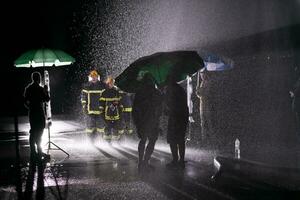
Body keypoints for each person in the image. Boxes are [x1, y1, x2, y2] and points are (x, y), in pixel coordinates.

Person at [132, 73, 162, 171]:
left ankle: (141, 162)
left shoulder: (139, 92)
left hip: (143, 121)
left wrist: (136, 122)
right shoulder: (155, 92)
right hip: (152, 121)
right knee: (151, 141)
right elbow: (160, 105)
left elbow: (135, 109)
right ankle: (145, 162)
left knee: (143, 140)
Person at [24, 72, 50, 161]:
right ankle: (39, 151)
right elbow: (47, 99)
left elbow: (24, 101)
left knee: (33, 131)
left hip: (32, 112)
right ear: (39, 79)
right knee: (40, 131)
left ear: (32, 78)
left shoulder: (28, 88)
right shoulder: (40, 89)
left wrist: (30, 107)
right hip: (39, 112)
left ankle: (33, 152)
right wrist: (46, 91)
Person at [165, 75, 189, 169]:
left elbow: (169, 104)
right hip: (183, 117)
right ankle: (181, 160)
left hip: (175, 117)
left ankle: (175, 160)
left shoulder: (170, 90)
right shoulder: (180, 89)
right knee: (180, 139)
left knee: (172, 139)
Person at [81, 70, 106, 142]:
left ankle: (101, 140)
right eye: (92, 76)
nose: (94, 78)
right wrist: (84, 106)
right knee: (90, 126)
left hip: (100, 109)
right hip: (90, 110)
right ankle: (90, 141)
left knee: (101, 126)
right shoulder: (87, 86)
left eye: (95, 76)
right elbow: (83, 97)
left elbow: (105, 96)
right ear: (91, 77)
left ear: (97, 77)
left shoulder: (102, 85)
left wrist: (103, 106)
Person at [100, 76, 124, 141]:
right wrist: (101, 112)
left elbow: (120, 102)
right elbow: (101, 103)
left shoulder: (116, 91)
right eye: (110, 83)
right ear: (108, 83)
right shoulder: (104, 92)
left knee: (116, 127)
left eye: (113, 83)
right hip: (107, 114)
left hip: (116, 114)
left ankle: (117, 142)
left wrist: (121, 110)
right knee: (107, 128)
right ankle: (107, 141)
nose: (111, 84)